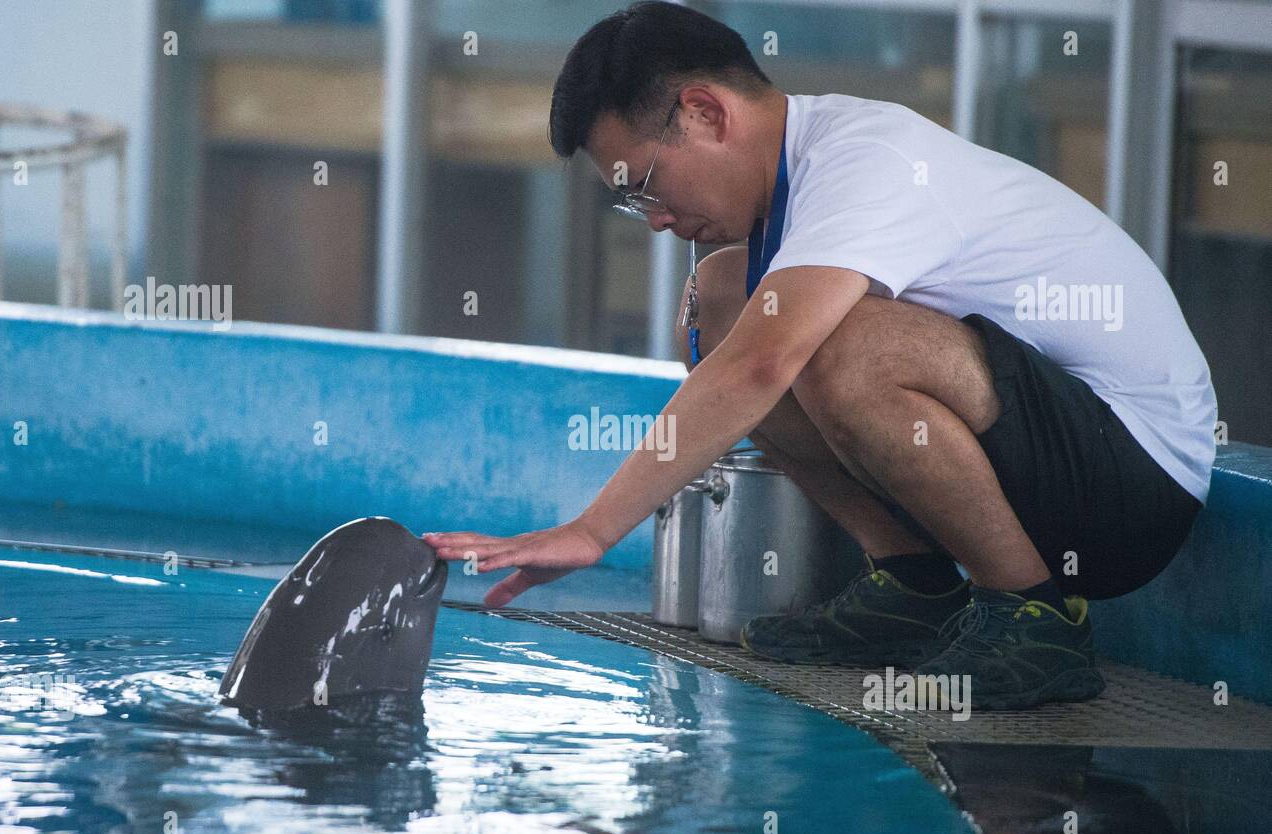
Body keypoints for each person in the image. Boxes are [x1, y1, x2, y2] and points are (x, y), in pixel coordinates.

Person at [423, 1, 1216, 710]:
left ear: (705, 112)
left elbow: (764, 365)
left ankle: (1034, 619)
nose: (655, 220)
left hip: (1131, 479)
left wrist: (594, 531)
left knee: (823, 343)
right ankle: (916, 587)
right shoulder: (795, 185)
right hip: (1047, 446)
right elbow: (745, 352)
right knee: (721, 302)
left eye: (646, 184)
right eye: (632, 203)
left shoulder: (865, 160)